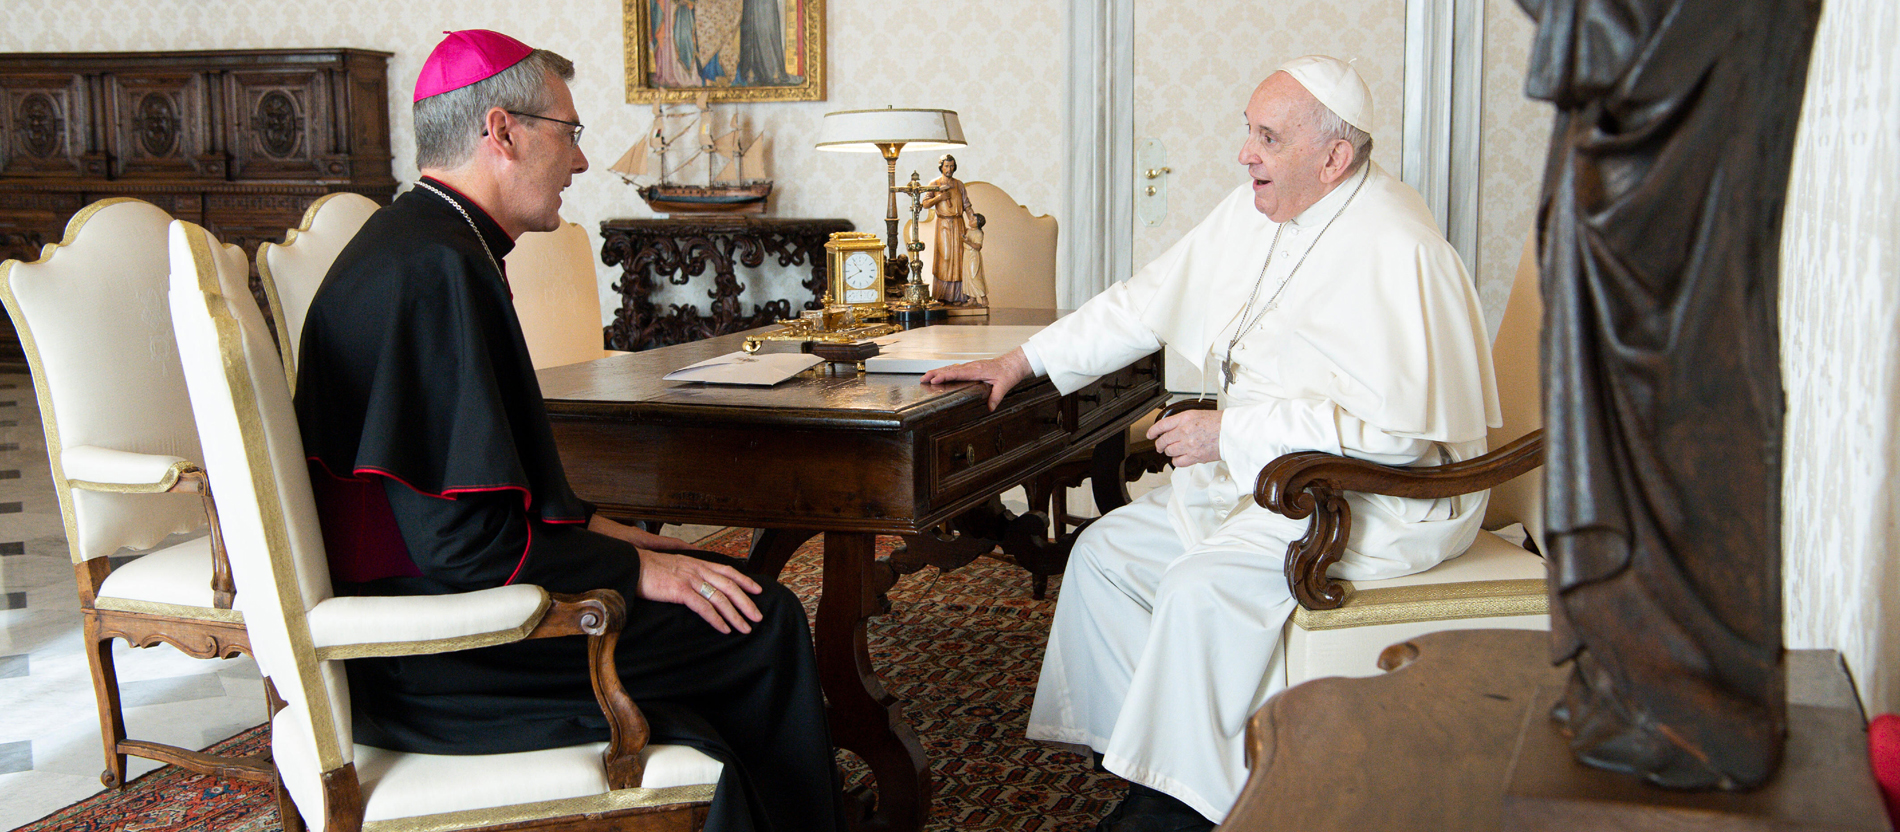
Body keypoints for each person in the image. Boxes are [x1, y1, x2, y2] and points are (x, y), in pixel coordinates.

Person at [922, 56, 1499, 831]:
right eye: (1248, 132)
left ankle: (1172, 816)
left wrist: (1230, 434)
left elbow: (1398, 438)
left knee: (1199, 588)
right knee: (1103, 558)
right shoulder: (1253, 211)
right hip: (1278, 479)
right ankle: (1161, 775)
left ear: (1333, 159)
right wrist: (1021, 361)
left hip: (1380, 499)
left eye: (1268, 137)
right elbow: (1142, 300)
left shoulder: (1398, 246)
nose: (1245, 154)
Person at [293, 30, 839, 832]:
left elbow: (482, 503)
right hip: (437, 655)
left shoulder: (426, 243)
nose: (583, 162)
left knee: (715, 586)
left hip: (427, 613)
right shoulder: (438, 270)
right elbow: (464, 547)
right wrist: (630, 566)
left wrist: (627, 544)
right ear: (503, 132)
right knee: (764, 622)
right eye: (571, 132)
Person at [920, 154, 974, 303]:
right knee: (946, 256)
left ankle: (959, 296)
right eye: (946, 166)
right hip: (943, 224)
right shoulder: (935, 183)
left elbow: (966, 204)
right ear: (941, 167)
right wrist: (939, 198)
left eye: (951, 166)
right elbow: (925, 204)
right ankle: (942, 295)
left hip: (958, 223)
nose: (949, 169)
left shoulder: (959, 184)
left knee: (959, 257)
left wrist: (972, 218)